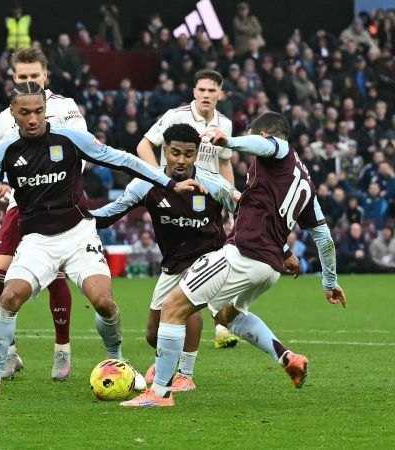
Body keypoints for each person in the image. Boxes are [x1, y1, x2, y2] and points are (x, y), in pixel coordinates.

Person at [0, 81, 200, 396]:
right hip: (37, 242)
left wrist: (168, 183)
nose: (33, 119)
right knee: (9, 298)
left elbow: (122, 159)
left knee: (104, 303)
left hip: (79, 236)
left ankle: (118, 360)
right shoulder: (5, 149)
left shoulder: (69, 138)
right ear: (13, 113)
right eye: (25, 113)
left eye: (38, 111)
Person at [124, 112, 346, 408]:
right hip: (269, 268)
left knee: (173, 307)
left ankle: (160, 393)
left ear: (264, 135)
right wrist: (329, 282)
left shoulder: (277, 150)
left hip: (242, 254)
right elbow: (325, 238)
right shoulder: (304, 182)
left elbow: (267, 145)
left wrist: (229, 140)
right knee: (228, 315)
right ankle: (287, 357)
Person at [0, 48, 86, 381]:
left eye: (34, 76)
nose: (28, 81)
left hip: (60, 204)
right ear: (13, 78)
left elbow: (85, 150)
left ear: (45, 76)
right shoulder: (9, 115)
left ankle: (62, 349)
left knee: (56, 275)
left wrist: (58, 184)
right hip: (21, 205)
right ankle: (7, 352)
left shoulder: (66, 108)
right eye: (22, 77)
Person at [91, 123, 239, 393]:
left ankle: (185, 373)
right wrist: (78, 218)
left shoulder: (213, 184)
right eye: (175, 153)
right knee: (153, 334)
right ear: (164, 152)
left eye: (188, 154)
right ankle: (166, 363)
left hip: (209, 258)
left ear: (197, 155)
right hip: (173, 262)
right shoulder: (146, 184)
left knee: (184, 305)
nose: (181, 160)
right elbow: (111, 213)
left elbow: (243, 208)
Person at [136, 69, 241, 349]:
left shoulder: (224, 124)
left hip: (207, 202)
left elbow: (224, 163)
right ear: (194, 92)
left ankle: (211, 336)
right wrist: (160, 181)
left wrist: (229, 203)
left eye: (211, 90)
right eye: (201, 90)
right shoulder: (175, 116)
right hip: (175, 199)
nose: (206, 95)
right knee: (182, 272)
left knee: (201, 269)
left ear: (220, 94)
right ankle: (217, 320)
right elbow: (144, 145)